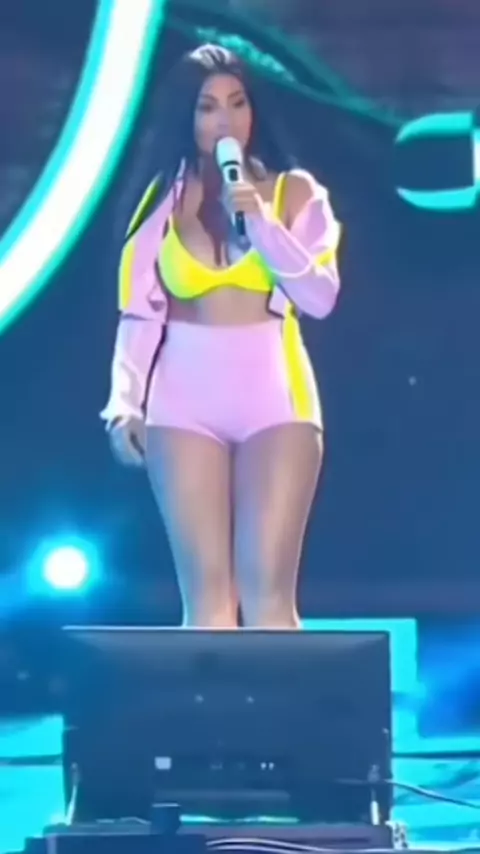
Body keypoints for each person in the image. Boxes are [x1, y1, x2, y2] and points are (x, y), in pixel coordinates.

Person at [101, 44, 341, 629]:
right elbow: (139, 314)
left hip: (275, 401)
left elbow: (320, 297)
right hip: (182, 404)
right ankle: (209, 693)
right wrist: (124, 403)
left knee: (268, 600)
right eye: (208, 107)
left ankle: (281, 695)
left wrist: (261, 222)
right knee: (207, 606)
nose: (225, 120)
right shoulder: (160, 199)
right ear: (187, 117)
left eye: (238, 103)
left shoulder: (295, 193)